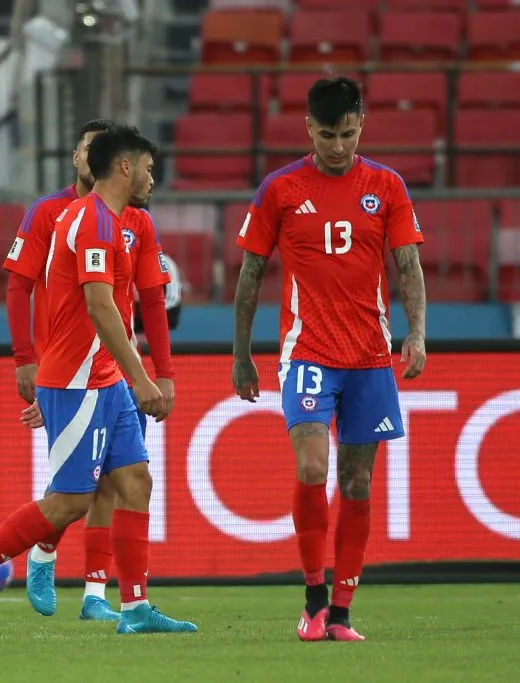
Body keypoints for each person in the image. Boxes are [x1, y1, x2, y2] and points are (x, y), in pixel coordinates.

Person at [0, 125, 198, 637]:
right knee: (71, 501)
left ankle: (136, 607)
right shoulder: (90, 221)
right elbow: (100, 307)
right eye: (148, 168)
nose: (153, 178)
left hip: (106, 379)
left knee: (135, 481)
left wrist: (145, 376)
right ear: (124, 166)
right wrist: (143, 379)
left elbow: (141, 300)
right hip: (77, 379)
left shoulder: (123, 222)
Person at [231, 77, 427, 642]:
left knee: (358, 482)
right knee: (313, 468)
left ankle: (341, 613)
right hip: (308, 351)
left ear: (361, 125)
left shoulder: (386, 185)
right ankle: (313, 598)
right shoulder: (280, 188)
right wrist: (242, 354)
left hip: (369, 355)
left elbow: (408, 266)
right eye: (326, 135)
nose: (337, 146)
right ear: (308, 129)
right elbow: (251, 274)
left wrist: (417, 334)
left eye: (347, 134)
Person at [3, 119, 175, 622]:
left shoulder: (136, 220)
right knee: (75, 490)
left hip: (114, 367)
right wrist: (26, 358)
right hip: (68, 368)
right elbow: (19, 287)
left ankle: (99, 595)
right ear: (79, 157)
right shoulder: (51, 213)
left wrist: (162, 371)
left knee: (124, 480)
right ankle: (38, 554)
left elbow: (152, 299)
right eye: (84, 147)